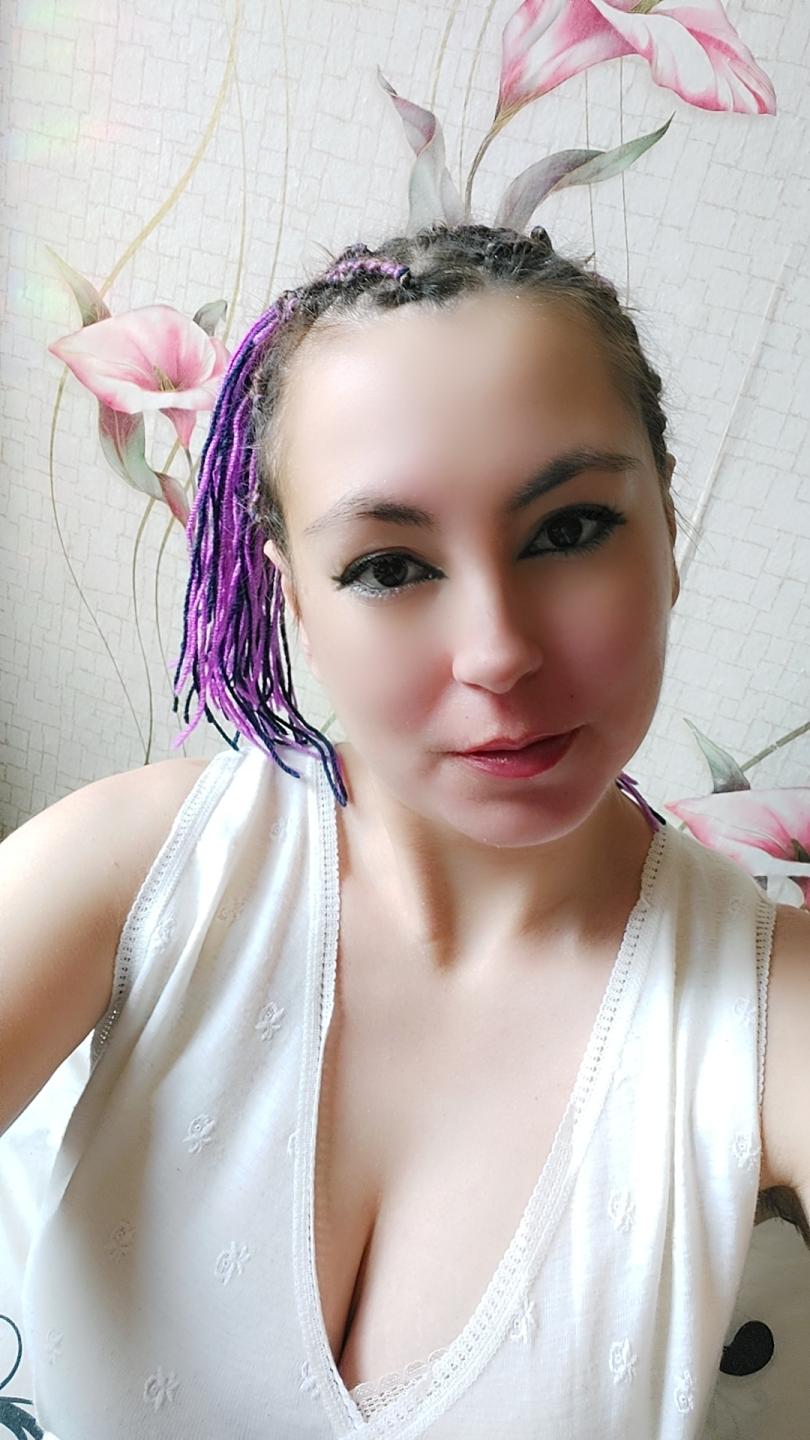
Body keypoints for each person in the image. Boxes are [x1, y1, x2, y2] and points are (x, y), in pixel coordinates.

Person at [1, 221, 808, 1439]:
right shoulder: (133, 871)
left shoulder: (774, 1009)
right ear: (291, 598)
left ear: (668, 534)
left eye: (570, 529)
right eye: (388, 566)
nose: (498, 654)